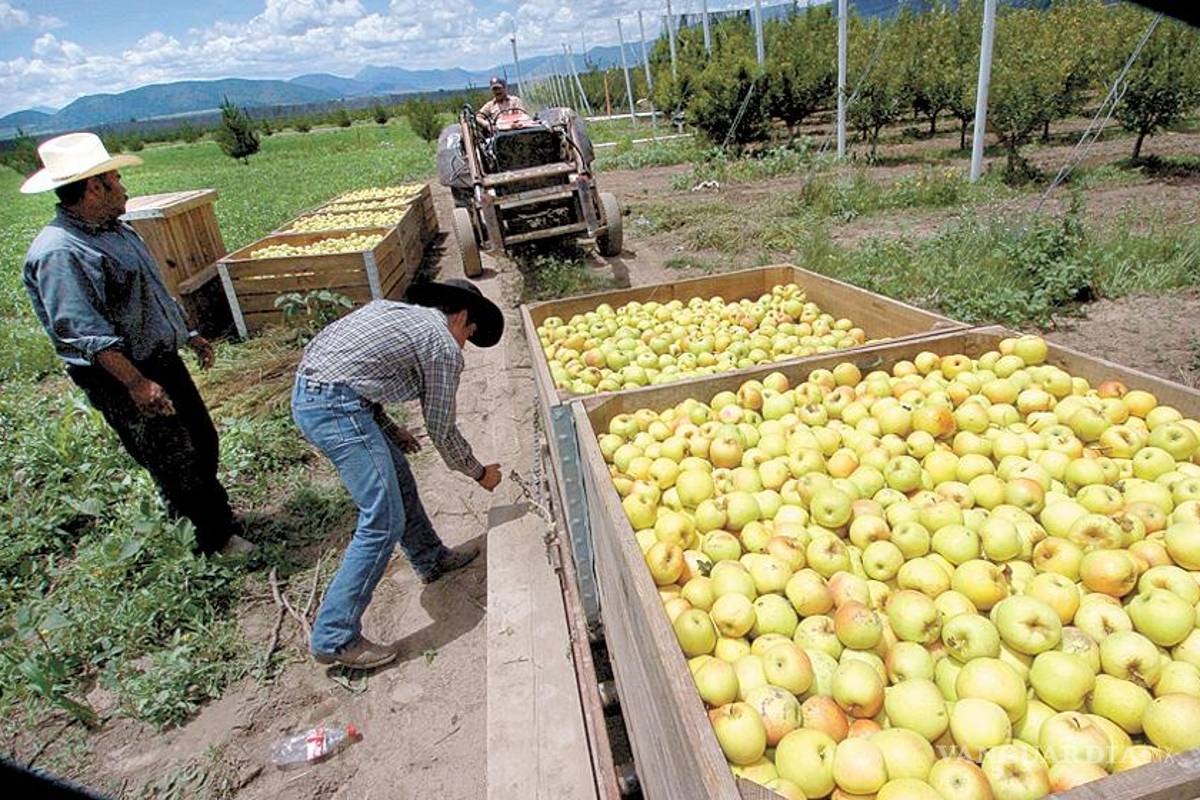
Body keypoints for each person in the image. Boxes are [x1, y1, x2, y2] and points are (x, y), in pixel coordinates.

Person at [20, 132, 251, 557]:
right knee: (173, 457)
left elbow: (152, 296)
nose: (124, 187)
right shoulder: (62, 252)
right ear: (94, 188)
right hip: (123, 374)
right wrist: (137, 384)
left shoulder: (117, 232)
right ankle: (212, 541)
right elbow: (84, 333)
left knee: (201, 440)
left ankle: (213, 518)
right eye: (116, 179)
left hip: (160, 360)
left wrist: (188, 334)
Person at [291, 279, 504, 670]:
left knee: (398, 478)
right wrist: (479, 473)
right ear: (460, 317)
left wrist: (390, 431)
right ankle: (334, 636)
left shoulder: (395, 313)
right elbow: (442, 429)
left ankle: (430, 559)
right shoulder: (441, 343)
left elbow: (354, 376)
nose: (463, 346)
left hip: (319, 396)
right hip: (334, 408)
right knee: (382, 518)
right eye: (469, 334)